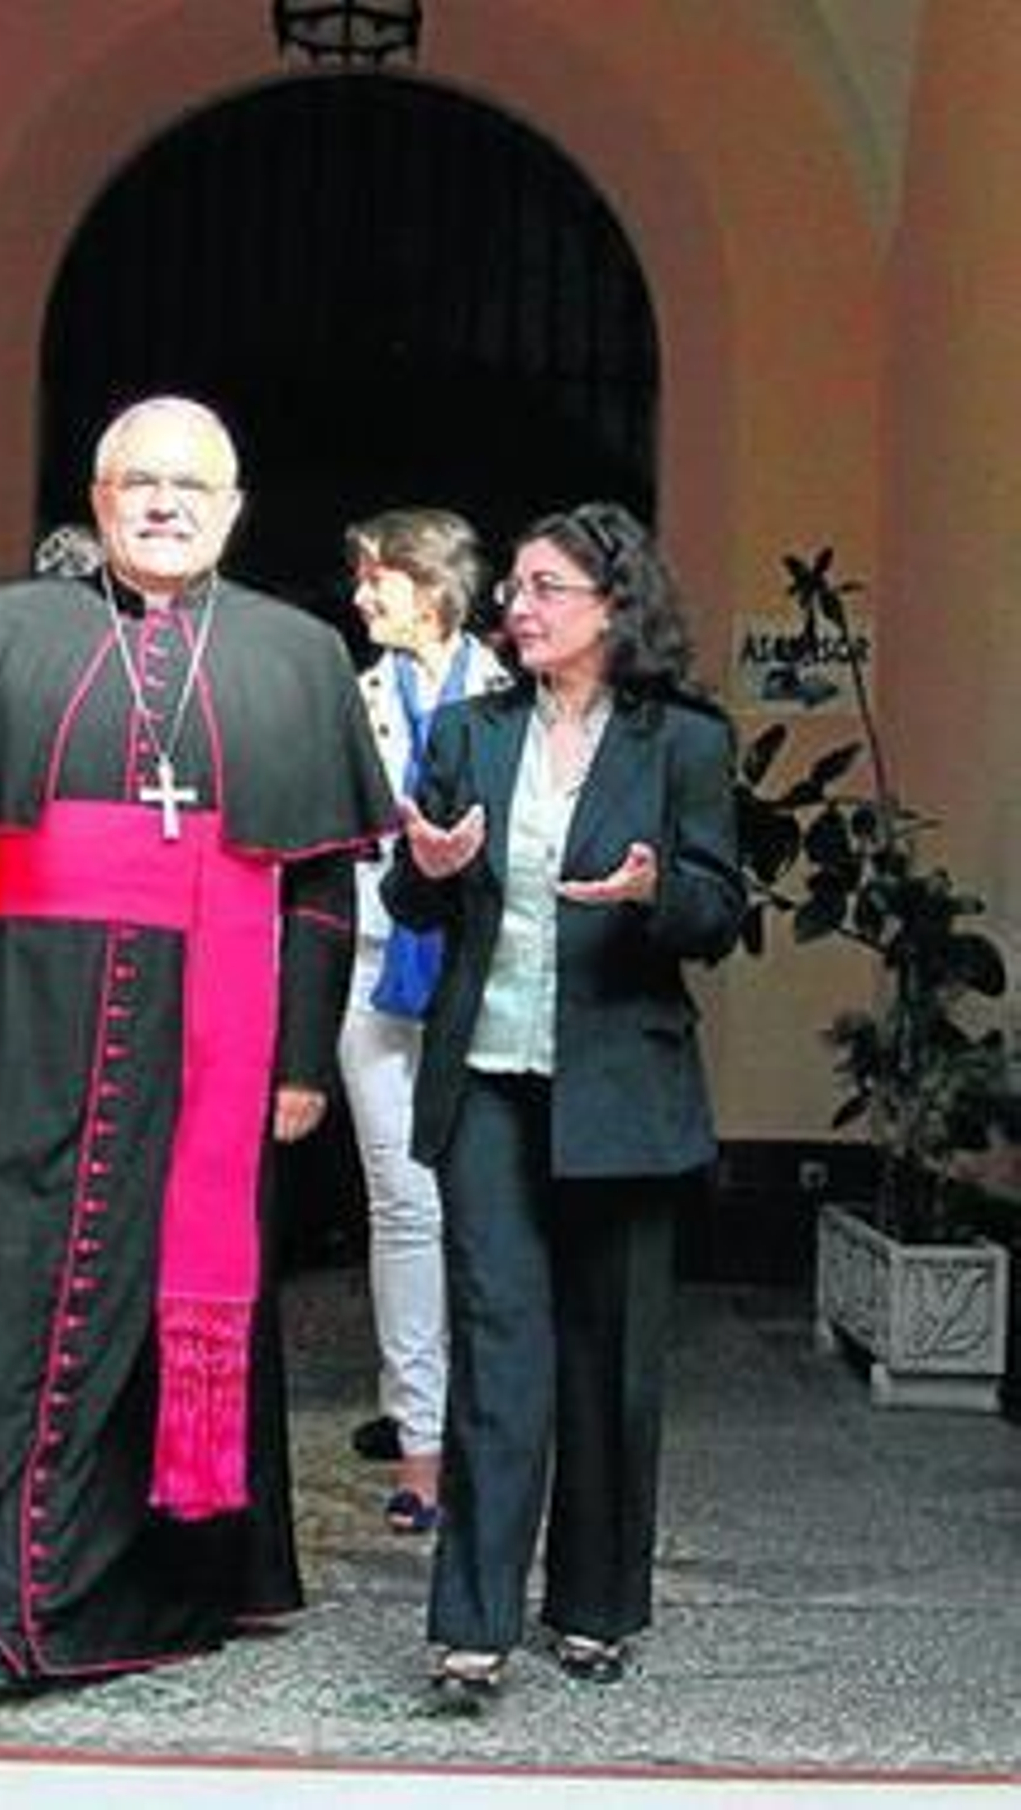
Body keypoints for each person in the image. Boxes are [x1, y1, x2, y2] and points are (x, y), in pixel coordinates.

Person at [0, 395, 394, 1694]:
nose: (164, 504)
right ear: (99, 501)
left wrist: (300, 1057)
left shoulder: (294, 655)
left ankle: (144, 1586)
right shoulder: (6, 627)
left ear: (233, 509)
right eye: (138, 482)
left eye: (191, 486)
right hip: (19, 1011)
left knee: (169, 1301)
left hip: (209, 1036)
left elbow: (322, 883)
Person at [384, 501, 744, 1693]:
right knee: (499, 1347)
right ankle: (472, 1625)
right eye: (516, 589)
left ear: (612, 607)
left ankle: (594, 1606)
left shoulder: (682, 742)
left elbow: (718, 911)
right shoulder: (468, 732)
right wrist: (427, 870)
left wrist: (653, 893)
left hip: (621, 1086)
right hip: (486, 1076)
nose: (516, 609)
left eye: (544, 589)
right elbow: (418, 892)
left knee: (611, 1352)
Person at [338, 508, 505, 1534]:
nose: (359, 598)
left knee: (486, 1207)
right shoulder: (351, 701)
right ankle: (419, 1440)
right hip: (372, 967)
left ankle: (492, 1419)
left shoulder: (507, 697)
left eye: (375, 581)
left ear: (428, 588)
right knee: (402, 1209)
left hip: (483, 980)